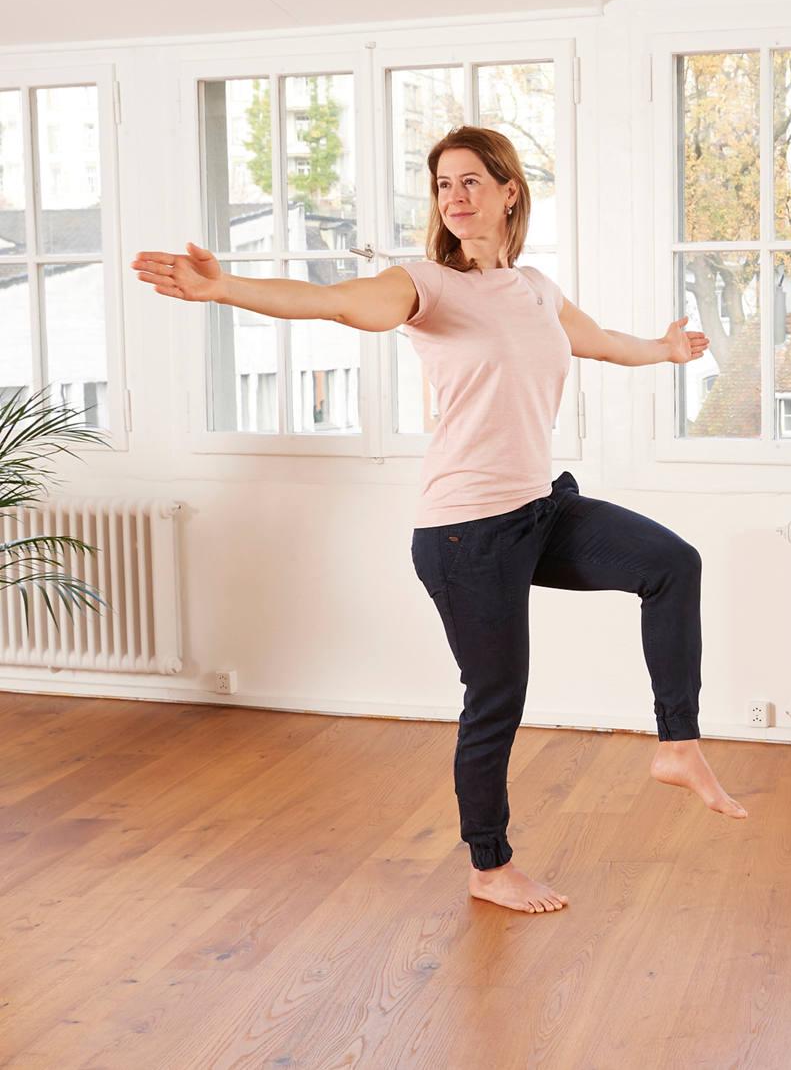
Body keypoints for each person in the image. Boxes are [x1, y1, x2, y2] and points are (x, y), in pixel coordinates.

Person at [132, 125, 746, 916]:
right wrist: (225, 289)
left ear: (508, 191)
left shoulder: (534, 290)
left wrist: (665, 351)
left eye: (469, 183)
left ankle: (678, 745)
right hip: (468, 532)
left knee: (671, 562)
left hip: (539, 505)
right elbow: (332, 302)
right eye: (442, 186)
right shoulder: (426, 283)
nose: (453, 199)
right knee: (497, 697)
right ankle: (489, 866)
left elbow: (596, 342)